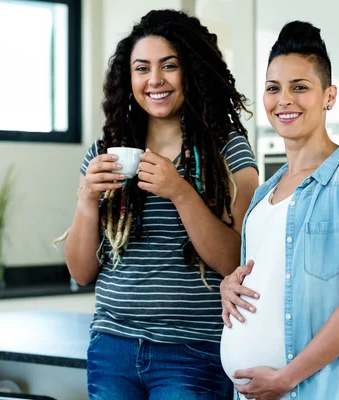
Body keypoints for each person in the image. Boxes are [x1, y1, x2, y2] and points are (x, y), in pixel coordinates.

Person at [60, 9, 259, 400]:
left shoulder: (226, 150)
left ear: (193, 71)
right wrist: (87, 200)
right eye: (142, 68)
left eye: (169, 66)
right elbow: (82, 272)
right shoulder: (104, 154)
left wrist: (181, 192)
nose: (155, 80)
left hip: (193, 350)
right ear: (127, 78)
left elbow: (237, 260)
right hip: (112, 346)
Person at [219, 21, 339, 400]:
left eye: (300, 87)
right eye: (273, 88)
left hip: (320, 392)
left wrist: (286, 378)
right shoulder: (264, 195)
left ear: (329, 96)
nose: (284, 100)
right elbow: (272, 277)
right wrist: (230, 286)